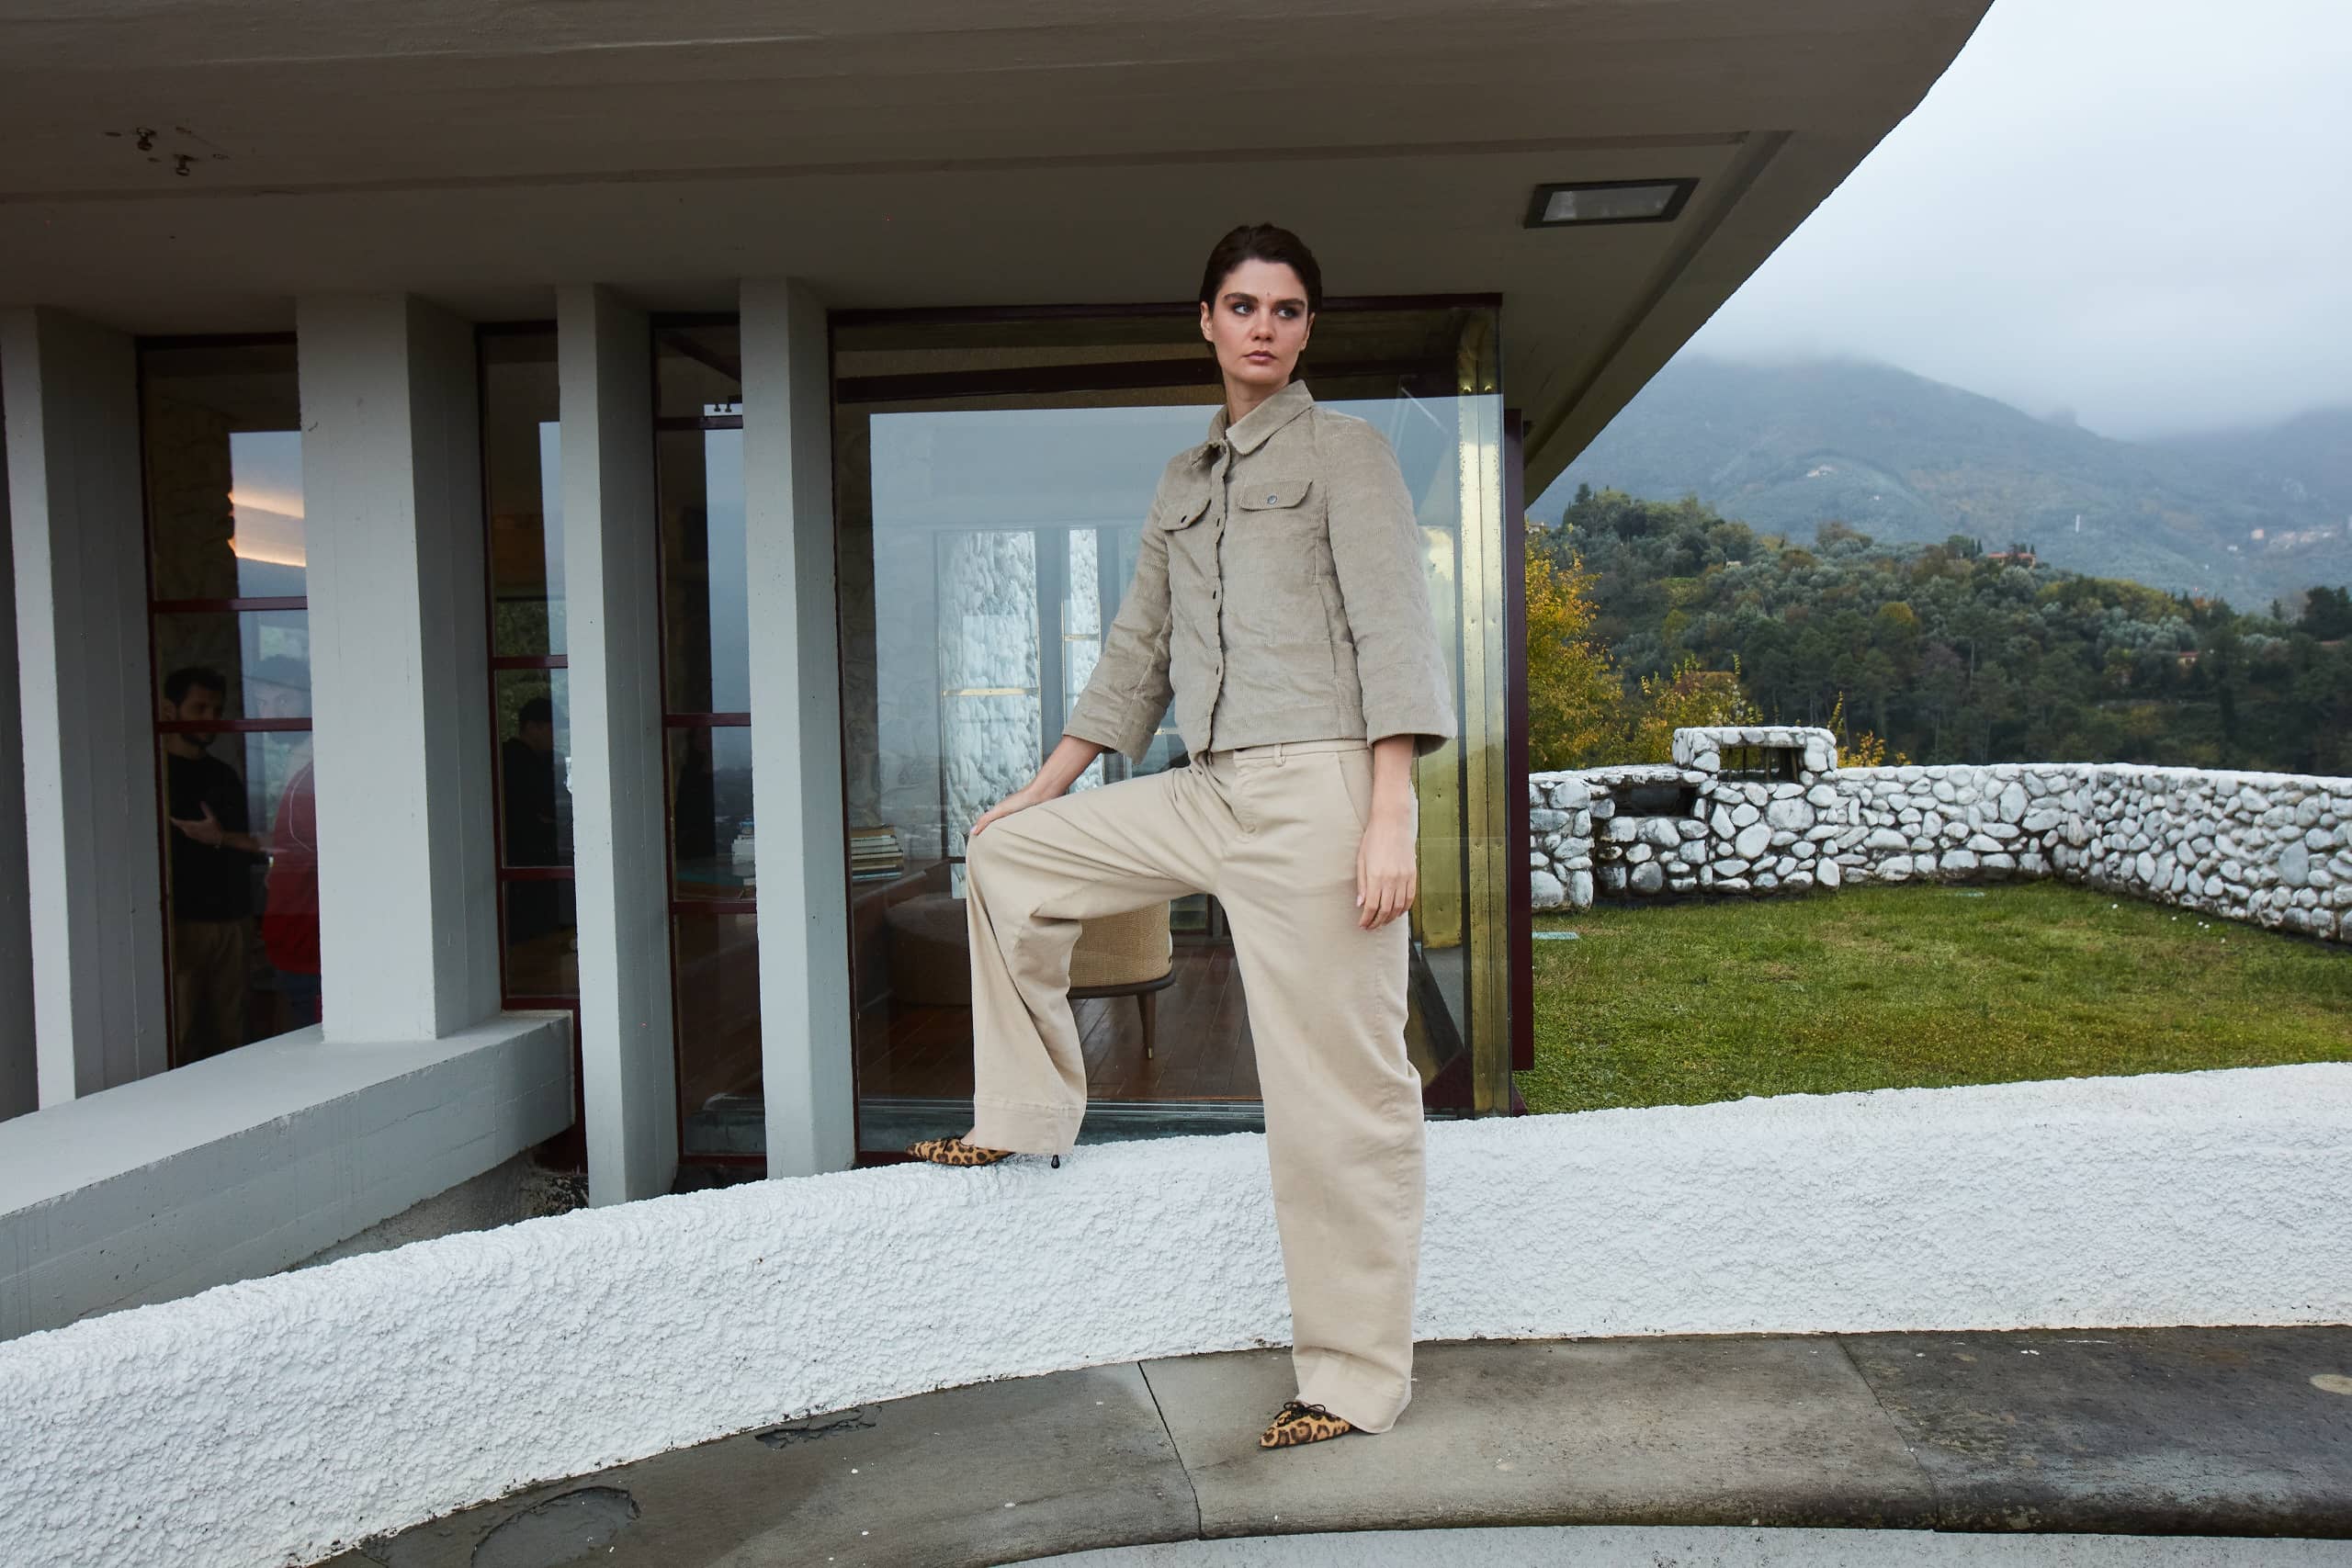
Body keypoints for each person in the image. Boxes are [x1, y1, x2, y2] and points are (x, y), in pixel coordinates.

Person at [906, 224, 1456, 1451]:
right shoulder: (1184, 478)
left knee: (1338, 1093)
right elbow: (1138, 650)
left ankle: (1352, 1377)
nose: (1264, 327)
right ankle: (1025, 1113)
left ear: (1308, 330)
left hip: (1320, 794)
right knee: (1009, 857)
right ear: (1205, 320)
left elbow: (1394, 633)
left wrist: (1391, 814)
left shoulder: (1346, 454)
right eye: (1243, 305)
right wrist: (1044, 785)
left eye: (1288, 309)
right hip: (1207, 787)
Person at [159, 666, 264, 1060]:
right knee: (181, 1031)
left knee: (231, 1033)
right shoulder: (156, 774)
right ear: (170, 710)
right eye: (199, 707)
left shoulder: (223, 774)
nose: (210, 718)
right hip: (182, 923)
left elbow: (249, 845)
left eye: (216, 710)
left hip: (232, 920)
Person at [500, 694, 570, 945]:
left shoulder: (543, 760)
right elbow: (547, 806)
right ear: (531, 727)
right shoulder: (513, 761)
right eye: (552, 729)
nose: (555, 736)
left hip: (534, 861)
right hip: (524, 861)